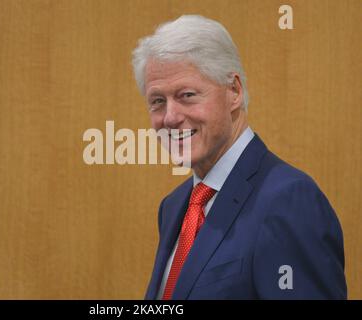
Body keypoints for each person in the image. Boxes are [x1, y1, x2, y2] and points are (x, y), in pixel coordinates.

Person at [132, 15, 346, 299]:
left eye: (186, 95)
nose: (170, 117)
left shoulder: (289, 200)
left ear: (234, 91)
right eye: (157, 101)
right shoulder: (173, 206)